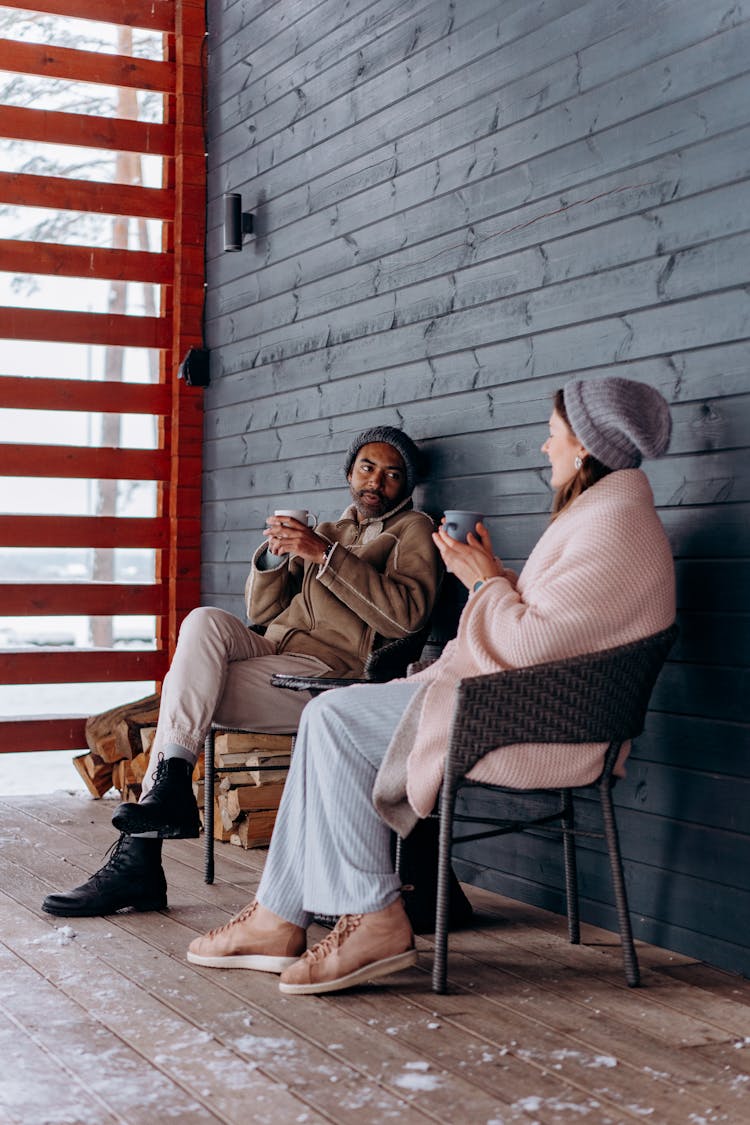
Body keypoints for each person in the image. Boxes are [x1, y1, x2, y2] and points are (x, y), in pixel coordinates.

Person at [184, 375, 676, 996]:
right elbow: (555, 629)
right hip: (515, 702)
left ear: (584, 445)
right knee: (330, 716)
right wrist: (493, 575)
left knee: (333, 719)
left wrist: (483, 581)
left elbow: (531, 644)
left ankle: (370, 916)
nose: (543, 448)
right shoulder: (608, 515)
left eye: (553, 436)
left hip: (535, 722)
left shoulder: (612, 524)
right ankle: (280, 915)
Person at [43, 426, 442, 918]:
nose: (376, 482)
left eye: (391, 474)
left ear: (406, 486)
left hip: (328, 673)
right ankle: (166, 796)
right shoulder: (332, 530)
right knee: (203, 620)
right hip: (271, 648)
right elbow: (260, 609)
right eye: (367, 467)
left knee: (183, 692)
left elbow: (406, 617)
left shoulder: (413, 531)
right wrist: (276, 556)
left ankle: (139, 859)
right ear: (349, 472)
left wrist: (323, 556)